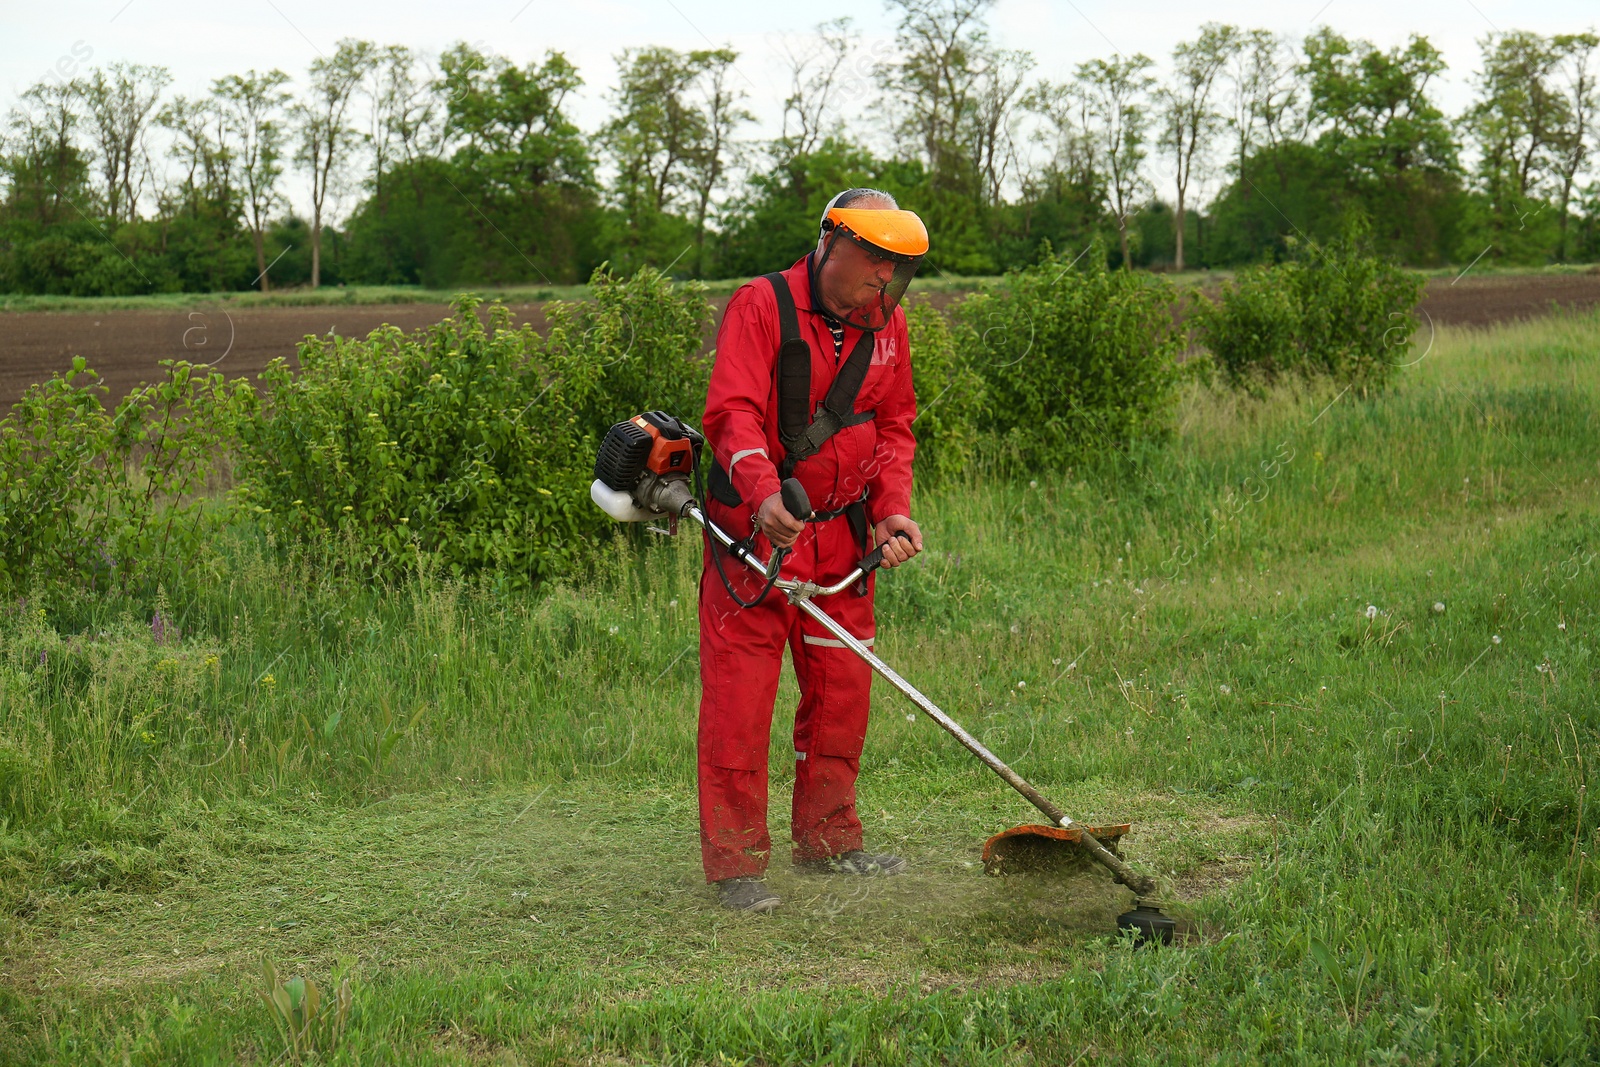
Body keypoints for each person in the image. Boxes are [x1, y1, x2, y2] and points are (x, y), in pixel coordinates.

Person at [696, 188, 928, 912]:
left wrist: (891, 513)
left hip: (845, 537)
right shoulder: (760, 305)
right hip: (756, 537)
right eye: (873, 260)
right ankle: (735, 864)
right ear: (830, 243)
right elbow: (731, 412)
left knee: (841, 696)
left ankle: (829, 840)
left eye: (897, 267)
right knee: (741, 699)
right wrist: (763, 491)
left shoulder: (888, 327)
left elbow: (894, 428)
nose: (883, 280)